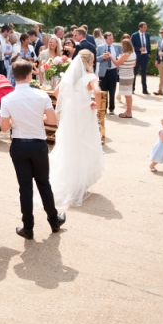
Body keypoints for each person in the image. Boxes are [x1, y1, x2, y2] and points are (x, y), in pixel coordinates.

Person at [0, 60, 66, 240]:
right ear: (30, 75)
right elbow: (52, 120)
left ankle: (28, 226)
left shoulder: (7, 99)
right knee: (44, 183)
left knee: (25, 187)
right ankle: (53, 220)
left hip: (19, 144)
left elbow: (4, 127)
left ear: (14, 76)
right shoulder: (41, 95)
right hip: (38, 144)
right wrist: (38, 117)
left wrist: (16, 119)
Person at [49, 50, 104, 208]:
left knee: (70, 145)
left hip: (71, 115)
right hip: (85, 114)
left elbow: (56, 92)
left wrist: (69, 104)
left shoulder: (70, 77)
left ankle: (71, 178)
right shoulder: (90, 77)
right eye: (92, 60)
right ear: (89, 61)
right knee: (84, 144)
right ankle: (80, 180)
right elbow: (98, 92)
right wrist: (97, 105)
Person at [96, 32, 120, 115]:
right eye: (110, 39)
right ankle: (104, 107)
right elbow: (96, 58)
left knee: (112, 90)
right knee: (103, 91)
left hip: (113, 71)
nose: (111, 40)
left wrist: (118, 64)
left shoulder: (117, 47)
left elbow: (121, 56)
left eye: (112, 38)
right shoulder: (100, 47)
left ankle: (112, 108)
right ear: (105, 39)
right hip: (103, 72)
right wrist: (102, 57)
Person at [116, 39, 136, 118]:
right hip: (130, 74)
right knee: (128, 94)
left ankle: (129, 112)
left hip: (125, 76)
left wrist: (111, 56)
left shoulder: (126, 54)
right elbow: (134, 64)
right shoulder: (133, 53)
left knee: (127, 95)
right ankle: (128, 111)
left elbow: (117, 63)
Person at [130, 22, 151, 94]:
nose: (146, 29)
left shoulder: (147, 35)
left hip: (145, 56)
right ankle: (132, 88)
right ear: (140, 28)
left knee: (144, 73)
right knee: (134, 72)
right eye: (144, 27)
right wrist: (139, 49)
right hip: (137, 56)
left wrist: (149, 53)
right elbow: (131, 46)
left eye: (146, 27)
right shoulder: (134, 35)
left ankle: (144, 89)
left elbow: (149, 45)